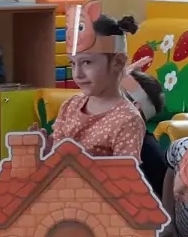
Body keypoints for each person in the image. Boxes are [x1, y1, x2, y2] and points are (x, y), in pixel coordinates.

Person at [49, 13, 146, 160]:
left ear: (118, 62)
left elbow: (124, 172)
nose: (77, 74)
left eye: (86, 62)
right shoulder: (70, 106)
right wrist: (43, 148)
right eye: (73, 63)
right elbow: (55, 157)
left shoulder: (127, 120)